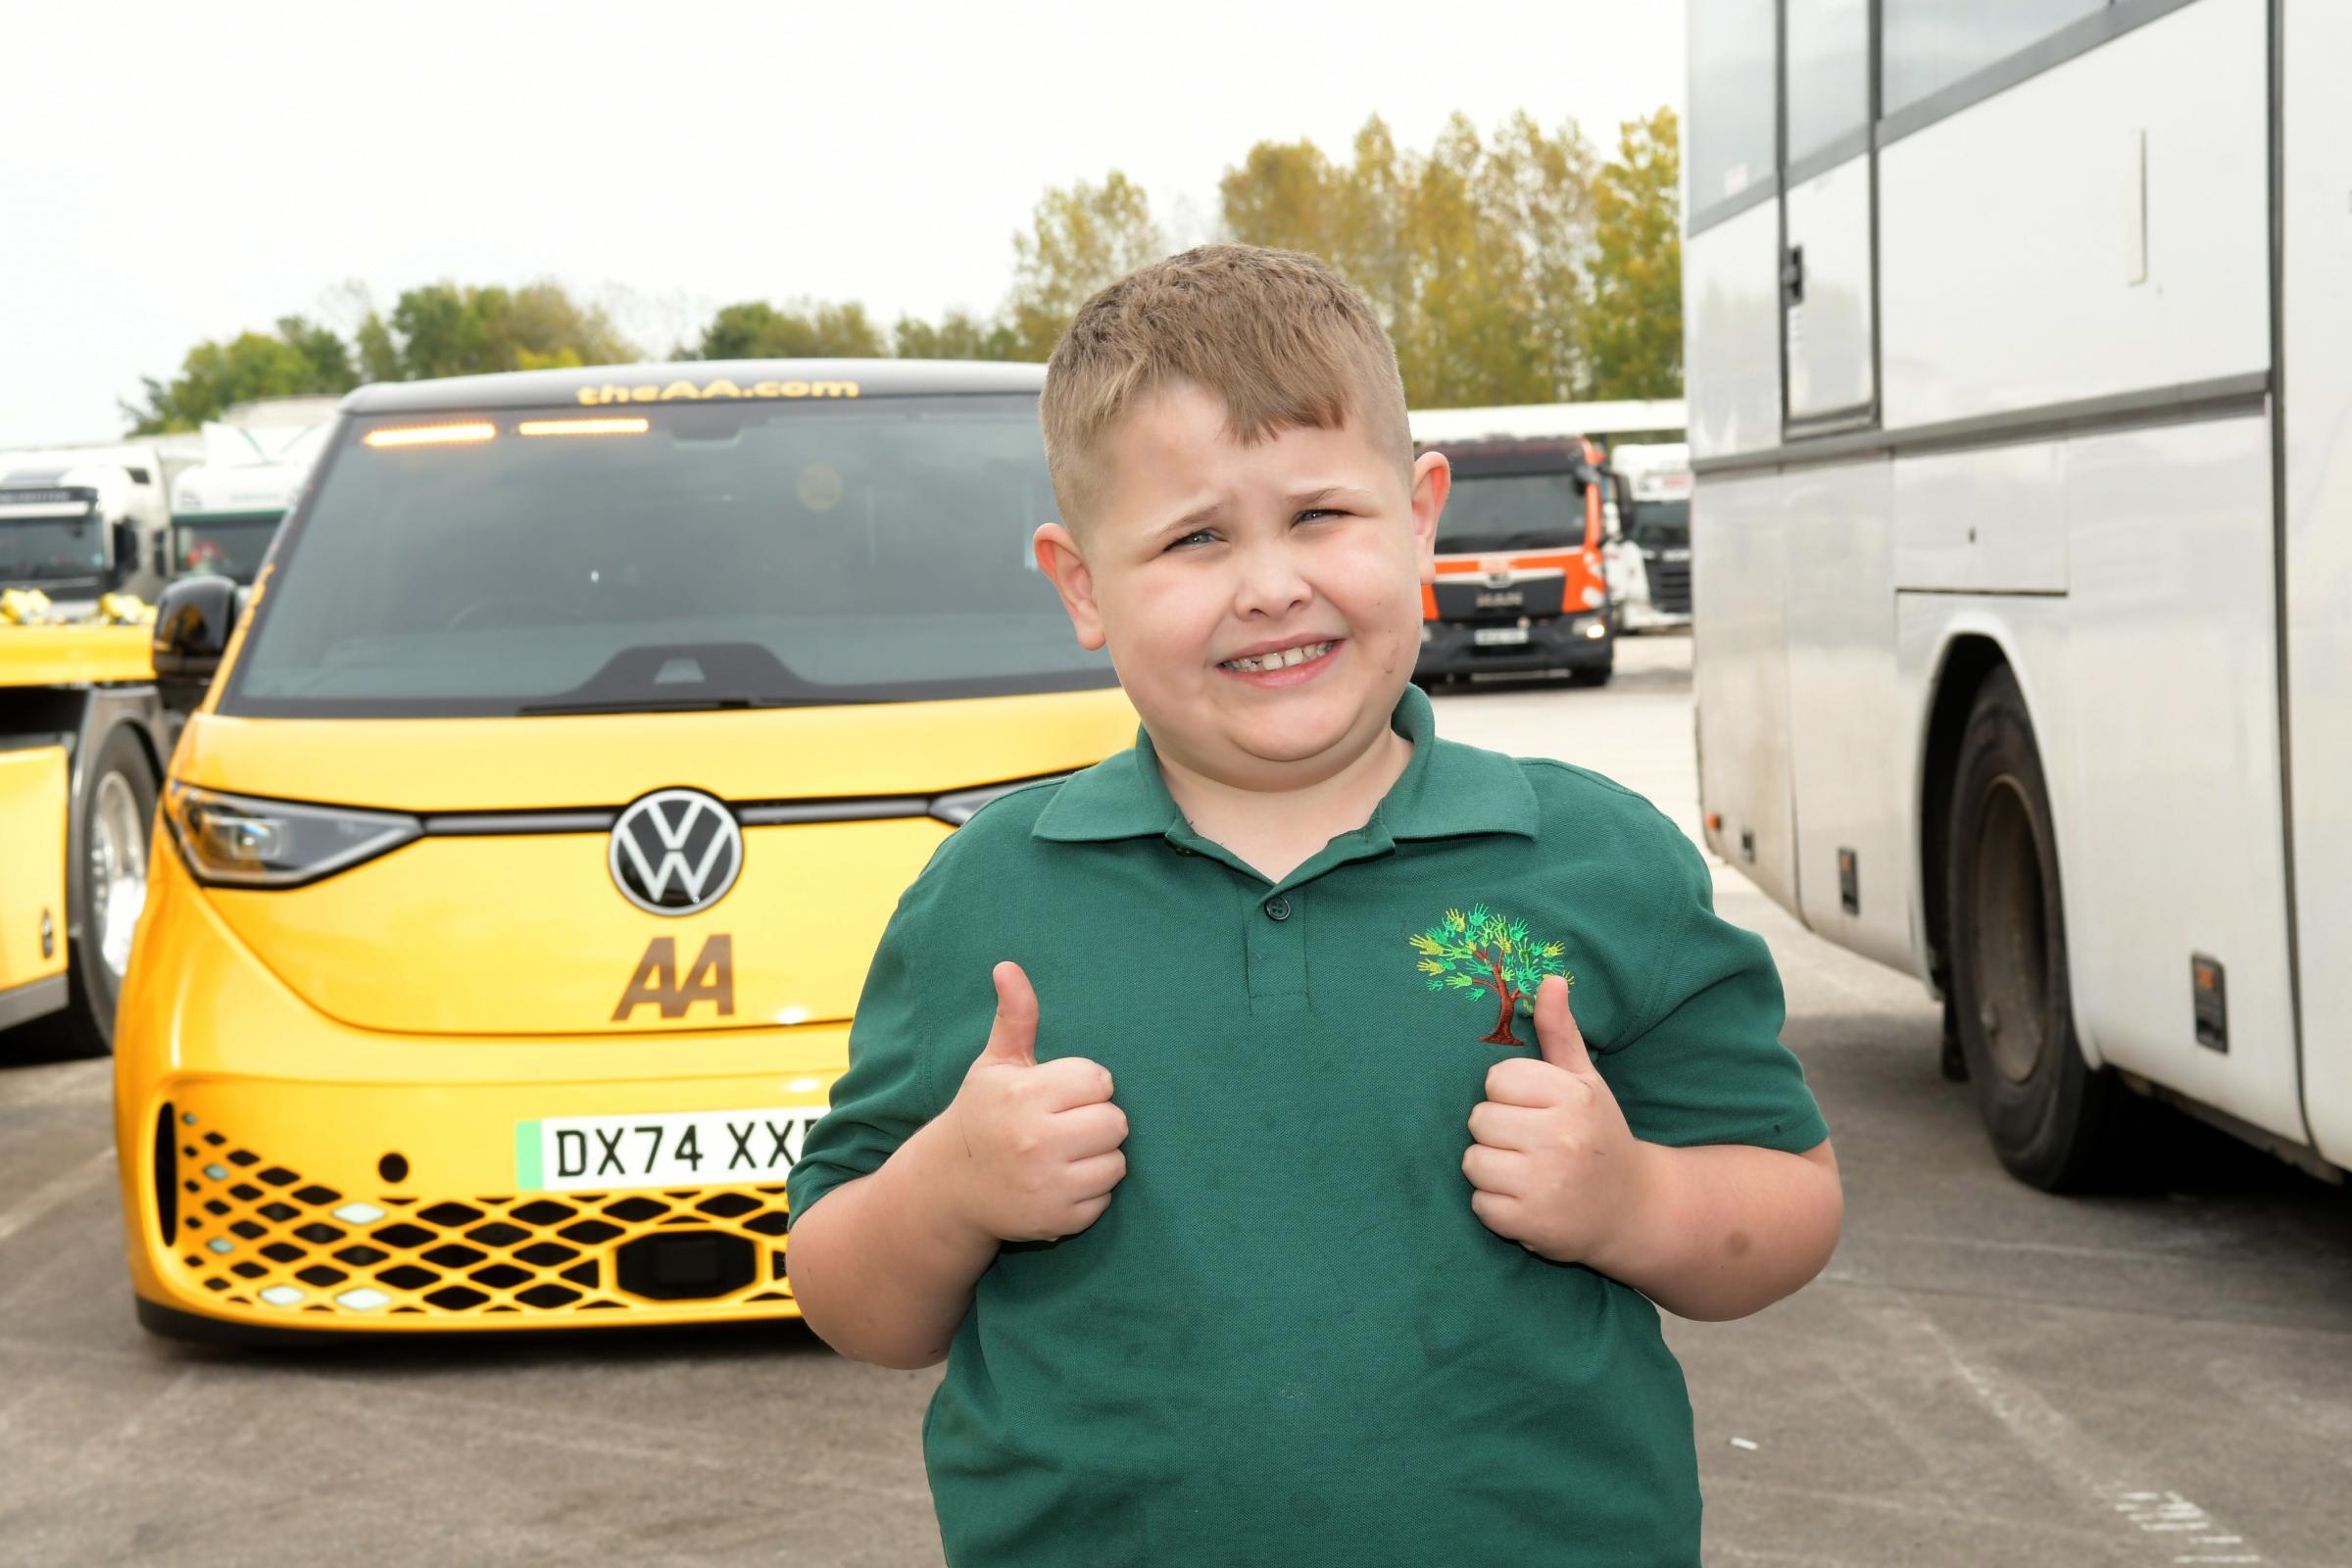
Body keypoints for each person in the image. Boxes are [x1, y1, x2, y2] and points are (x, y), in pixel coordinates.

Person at [786, 244, 1842, 1566]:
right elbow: (848, 1296)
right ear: (1080, 586)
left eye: (1320, 516)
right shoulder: (986, 896)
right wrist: (950, 1186)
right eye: (1194, 538)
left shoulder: (1595, 859)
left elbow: (1791, 1201)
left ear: (1421, 517)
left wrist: (1633, 1204)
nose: (1270, 584)